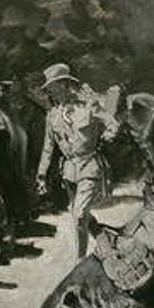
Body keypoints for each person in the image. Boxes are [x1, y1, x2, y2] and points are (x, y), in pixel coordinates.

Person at [35, 63, 120, 259]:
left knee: (79, 214)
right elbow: (48, 148)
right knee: (80, 215)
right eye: (48, 89)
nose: (50, 92)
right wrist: (41, 175)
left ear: (65, 85)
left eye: (53, 88)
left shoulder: (89, 107)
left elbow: (112, 123)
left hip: (90, 167)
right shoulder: (52, 116)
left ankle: (79, 259)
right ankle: (105, 238)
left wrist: (109, 134)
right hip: (69, 172)